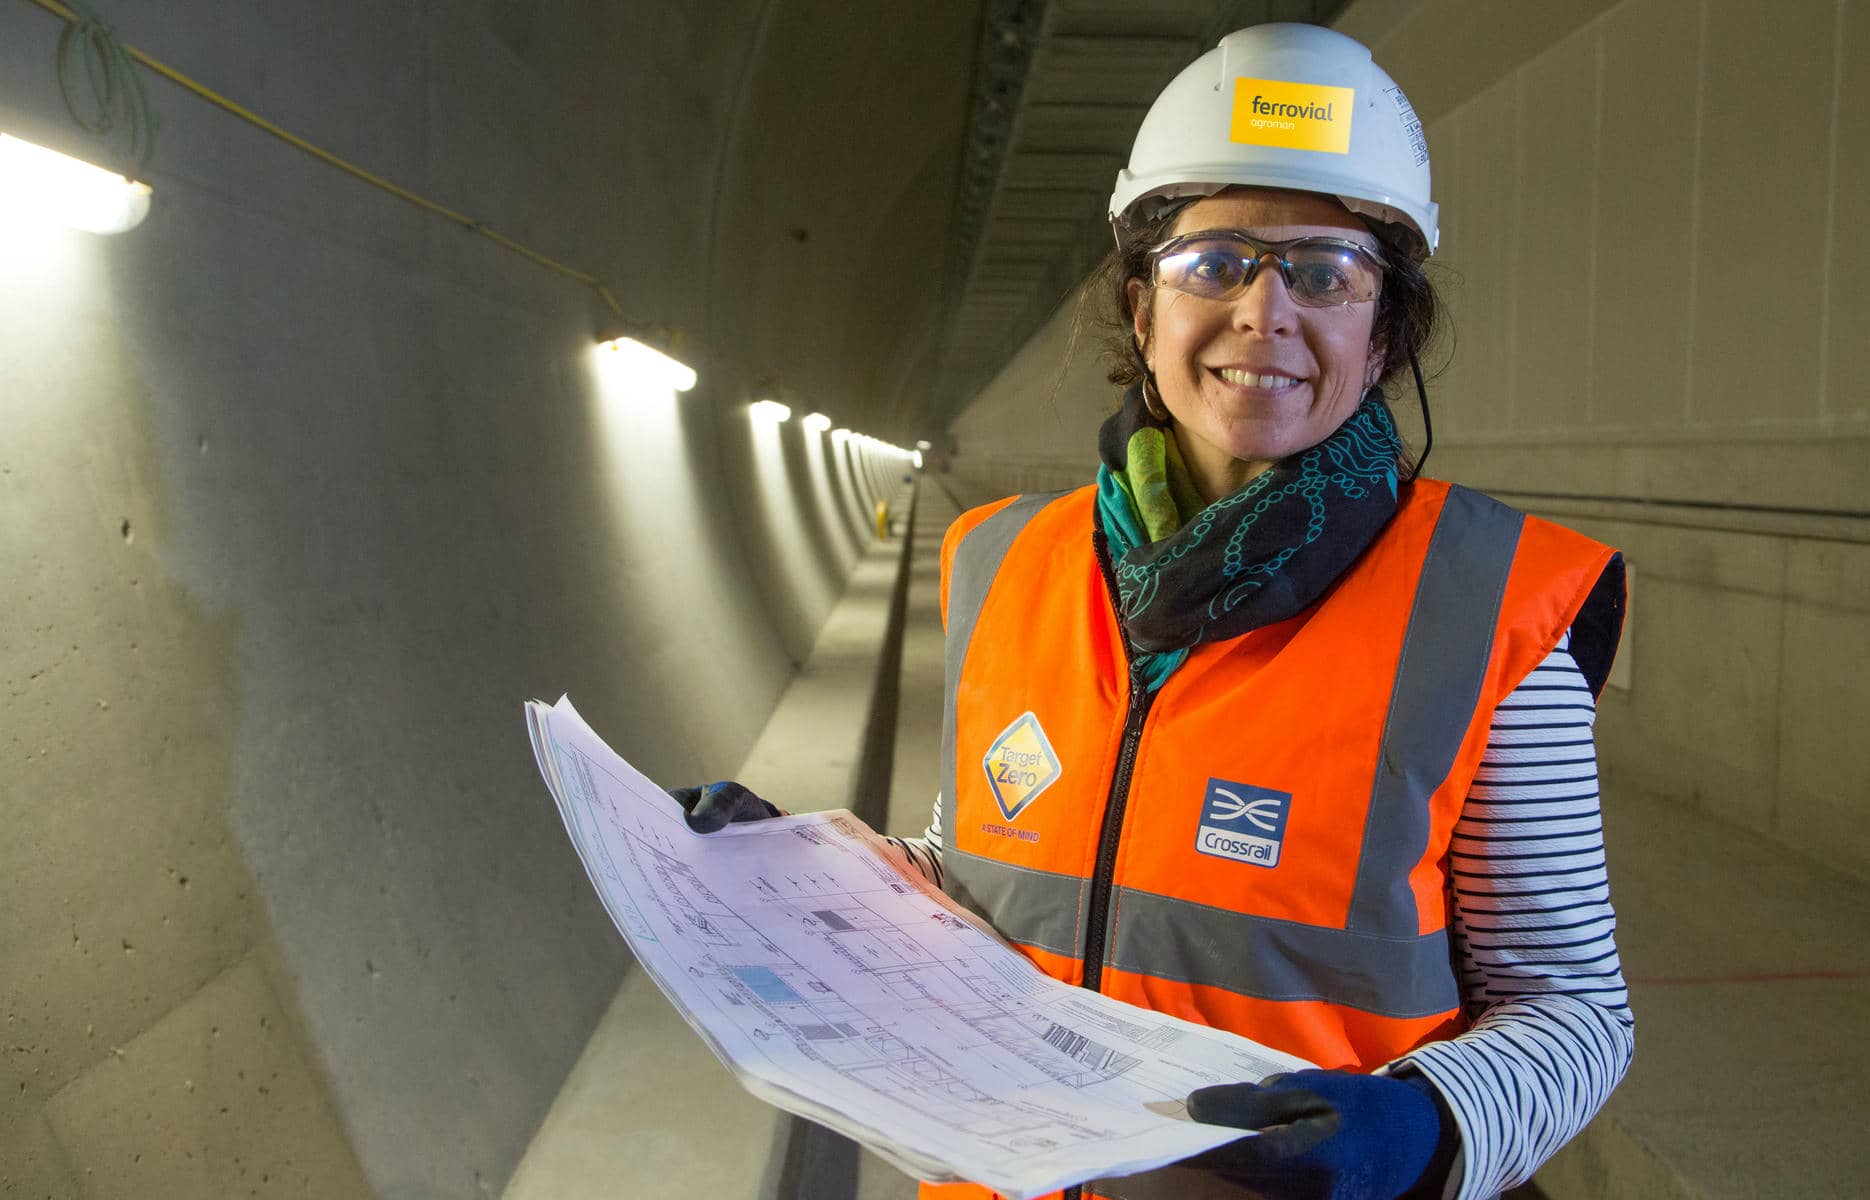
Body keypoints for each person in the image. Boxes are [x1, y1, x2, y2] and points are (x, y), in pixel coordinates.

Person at [674, 23, 1631, 1200]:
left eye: (1325, 270)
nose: (1262, 314)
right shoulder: (1000, 562)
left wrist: (1432, 1128)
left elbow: (1572, 1005)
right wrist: (806, 871)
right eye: (1213, 262)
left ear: (1382, 330)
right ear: (1142, 312)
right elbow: (984, 873)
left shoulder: (1490, 611)